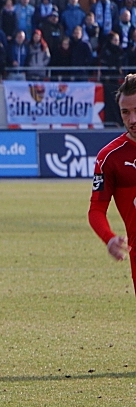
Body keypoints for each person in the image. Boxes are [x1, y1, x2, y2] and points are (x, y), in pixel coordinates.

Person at [88, 73, 136, 291]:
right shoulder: (110, 157)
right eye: (126, 112)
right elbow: (96, 210)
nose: (132, 119)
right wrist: (108, 238)